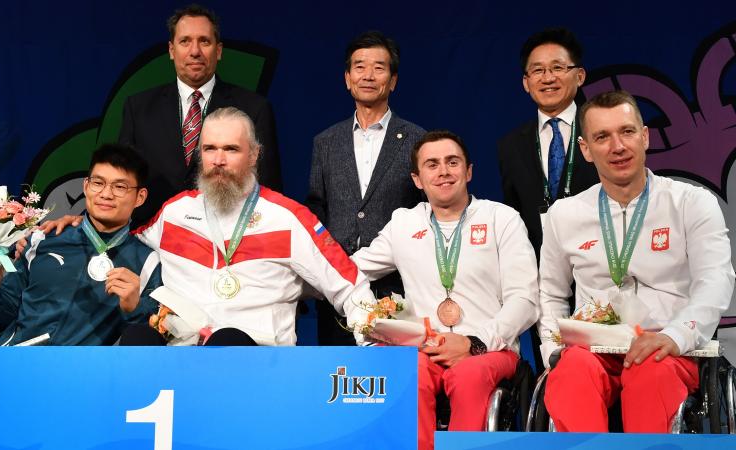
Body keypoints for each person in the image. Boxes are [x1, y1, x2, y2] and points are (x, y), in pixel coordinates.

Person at [537, 90, 734, 432]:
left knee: (650, 371)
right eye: (602, 137)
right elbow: (551, 292)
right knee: (570, 371)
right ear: (585, 149)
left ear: (644, 137)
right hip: (593, 348)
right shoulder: (564, 215)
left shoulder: (690, 202)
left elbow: (715, 281)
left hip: (668, 347)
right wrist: (555, 347)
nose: (617, 146)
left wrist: (675, 335)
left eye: (627, 132)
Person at [352, 131, 538, 450]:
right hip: (424, 347)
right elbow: (346, 271)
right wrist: (365, 321)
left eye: (452, 162)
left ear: (468, 171)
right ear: (417, 179)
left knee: (469, 376)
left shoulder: (501, 219)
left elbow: (525, 300)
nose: (443, 171)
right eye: (432, 164)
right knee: (407, 371)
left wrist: (474, 342)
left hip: (490, 349)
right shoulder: (404, 224)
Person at [131, 106, 371, 345]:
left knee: (227, 341)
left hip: (257, 362)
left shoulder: (287, 218)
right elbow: (126, 244)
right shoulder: (175, 212)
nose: (218, 160)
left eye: (231, 149)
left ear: (254, 155)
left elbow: (349, 286)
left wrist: (374, 348)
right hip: (183, 361)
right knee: (136, 339)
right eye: (209, 149)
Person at [0, 144, 161, 346]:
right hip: (17, 362)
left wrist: (134, 308)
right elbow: (1, 318)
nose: (106, 194)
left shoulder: (148, 263)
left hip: (78, 374)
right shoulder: (42, 240)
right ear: (86, 186)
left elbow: (155, 339)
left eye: (120, 187)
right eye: (98, 183)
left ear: (140, 197)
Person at [306, 30, 425, 345]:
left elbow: (427, 211)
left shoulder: (417, 140)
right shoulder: (326, 142)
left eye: (379, 67)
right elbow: (316, 209)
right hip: (337, 284)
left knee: (391, 381)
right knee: (338, 378)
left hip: (396, 284)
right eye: (359, 67)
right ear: (347, 78)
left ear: (393, 80)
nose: (368, 75)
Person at [119, 4, 282, 228]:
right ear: (171, 50)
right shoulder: (138, 108)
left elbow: (269, 192)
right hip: (152, 241)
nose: (195, 51)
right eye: (185, 41)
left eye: (204, 41)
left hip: (227, 246)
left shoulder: (254, 108)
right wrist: (92, 223)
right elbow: (120, 182)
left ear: (219, 50)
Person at [497, 27, 599, 372]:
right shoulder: (511, 145)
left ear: (579, 75)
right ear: (526, 82)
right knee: (553, 372)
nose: (548, 78)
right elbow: (514, 216)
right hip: (541, 278)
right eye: (537, 70)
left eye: (558, 68)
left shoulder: (603, 133)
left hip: (603, 268)